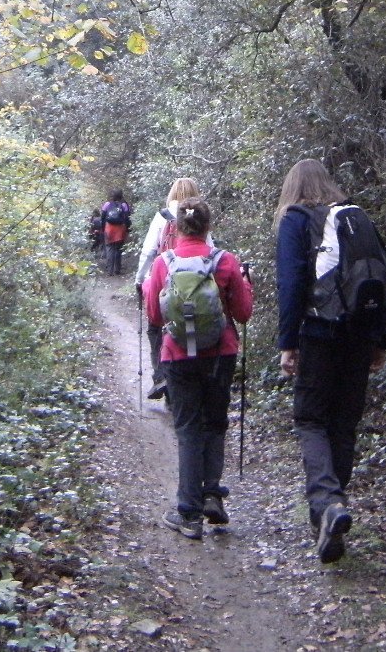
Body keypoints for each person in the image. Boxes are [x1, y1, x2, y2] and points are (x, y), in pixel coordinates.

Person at [275, 158, 386, 564]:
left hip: (320, 332)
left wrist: (288, 342)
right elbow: (385, 279)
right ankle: (329, 515)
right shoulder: (357, 216)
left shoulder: (296, 219)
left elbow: (290, 284)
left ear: (293, 187)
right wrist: (381, 340)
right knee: (343, 424)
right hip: (360, 334)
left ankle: (327, 504)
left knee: (311, 420)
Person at [143, 197, 253, 540]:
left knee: (188, 428)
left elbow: (154, 316)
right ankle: (212, 496)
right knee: (215, 423)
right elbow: (244, 312)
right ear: (208, 227)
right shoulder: (225, 261)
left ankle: (188, 513)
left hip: (177, 356)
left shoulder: (164, 262)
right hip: (220, 354)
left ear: (175, 228)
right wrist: (245, 283)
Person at [134, 177, 203, 401]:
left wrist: (139, 279)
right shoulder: (200, 216)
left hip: (162, 278)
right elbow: (208, 249)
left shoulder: (162, 216)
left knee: (155, 326)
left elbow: (148, 251)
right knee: (186, 327)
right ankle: (185, 380)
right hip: (192, 284)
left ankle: (160, 375)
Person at [99, 190, 132, 276]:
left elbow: (102, 218)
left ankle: (110, 271)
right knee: (118, 249)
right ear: (121, 196)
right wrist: (128, 229)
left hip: (109, 229)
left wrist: (103, 229)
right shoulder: (124, 205)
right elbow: (127, 218)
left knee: (109, 248)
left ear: (112, 196)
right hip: (120, 229)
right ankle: (117, 269)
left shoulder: (107, 204)